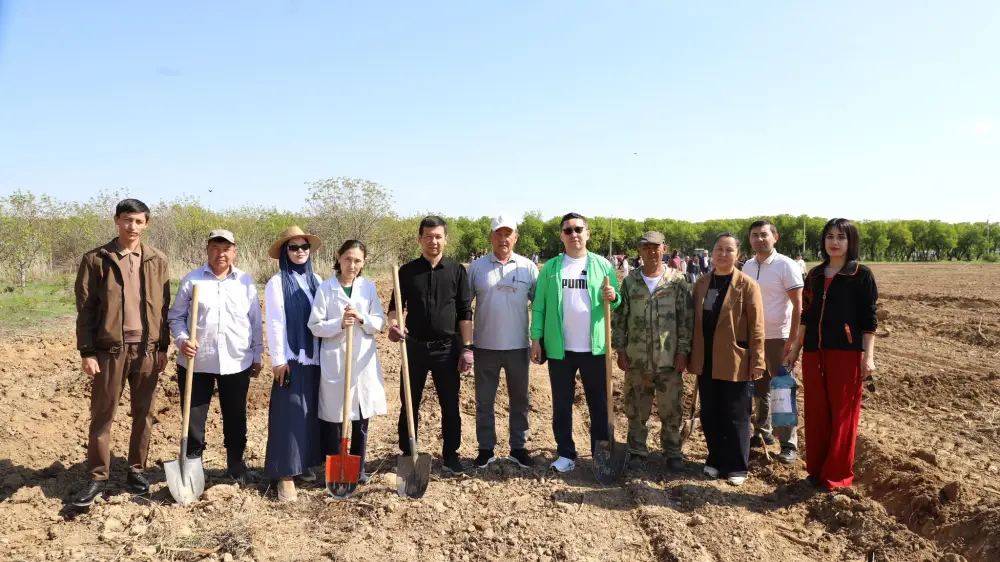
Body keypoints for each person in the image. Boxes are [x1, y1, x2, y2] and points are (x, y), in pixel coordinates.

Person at [72, 199, 171, 507]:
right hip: (109, 351)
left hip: (147, 350)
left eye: (139, 221)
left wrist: (164, 346)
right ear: (116, 220)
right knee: (102, 415)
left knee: (144, 414)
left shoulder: (157, 259)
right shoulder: (96, 259)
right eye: (127, 220)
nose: (133, 226)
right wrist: (87, 351)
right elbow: (85, 309)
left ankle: (136, 471)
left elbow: (164, 307)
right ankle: (97, 476)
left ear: (146, 224)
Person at [784, 218, 878, 490]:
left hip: (846, 353)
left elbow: (869, 320)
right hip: (814, 352)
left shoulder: (860, 274)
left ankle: (836, 476)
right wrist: (796, 349)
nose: (834, 242)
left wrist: (868, 356)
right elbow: (806, 315)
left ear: (851, 242)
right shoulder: (814, 274)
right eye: (829, 236)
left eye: (841, 237)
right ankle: (815, 471)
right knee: (816, 413)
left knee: (843, 415)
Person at [168, 229, 263, 486]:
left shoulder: (245, 282)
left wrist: (257, 354)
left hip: (236, 360)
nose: (221, 254)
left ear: (234, 252)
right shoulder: (193, 280)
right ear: (207, 250)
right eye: (215, 248)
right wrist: (182, 340)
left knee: (235, 415)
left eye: (226, 249)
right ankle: (193, 466)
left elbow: (254, 321)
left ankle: (235, 464)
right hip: (196, 361)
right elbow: (175, 316)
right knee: (194, 417)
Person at [530, 212, 621, 473]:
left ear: (587, 233)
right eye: (568, 231)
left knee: (600, 405)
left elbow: (617, 300)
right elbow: (539, 306)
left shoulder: (602, 265)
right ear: (561, 236)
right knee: (561, 404)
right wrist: (536, 338)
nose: (574, 235)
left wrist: (613, 295)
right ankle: (566, 453)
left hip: (595, 349)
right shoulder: (550, 268)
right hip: (561, 350)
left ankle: (600, 454)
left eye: (578, 229)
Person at [388, 216, 474, 475]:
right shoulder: (406, 272)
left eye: (438, 236)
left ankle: (450, 454)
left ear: (445, 239)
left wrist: (467, 347)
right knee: (409, 401)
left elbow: (464, 311)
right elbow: (395, 308)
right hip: (413, 348)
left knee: (450, 403)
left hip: (447, 348)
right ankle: (408, 451)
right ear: (419, 239)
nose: (433, 241)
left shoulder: (457, 270)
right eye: (428, 236)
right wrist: (394, 325)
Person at [612, 231, 692, 473]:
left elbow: (685, 320)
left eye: (655, 247)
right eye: (646, 247)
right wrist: (620, 349)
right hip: (637, 359)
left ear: (664, 249)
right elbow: (620, 318)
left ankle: (673, 452)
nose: (651, 251)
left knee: (672, 410)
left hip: (668, 360)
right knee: (636, 410)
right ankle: (636, 451)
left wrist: (683, 352)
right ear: (640, 251)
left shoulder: (677, 281)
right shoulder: (630, 281)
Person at [689, 233, 765, 487]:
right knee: (710, 413)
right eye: (719, 249)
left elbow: (757, 327)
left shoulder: (747, 285)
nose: (723, 254)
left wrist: (757, 361)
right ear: (712, 252)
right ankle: (715, 458)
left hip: (735, 359)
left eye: (729, 250)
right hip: (706, 359)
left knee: (736, 414)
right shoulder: (701, 284)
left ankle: (736, 465)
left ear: (738, 255)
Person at [309, 240, 387, 486]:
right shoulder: (326, 289)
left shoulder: (368, 288)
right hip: (336, 359)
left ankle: (359, 466)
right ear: (338, 257)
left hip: (362, 360)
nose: (352, 265)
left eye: (358, 261)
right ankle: (334, 468)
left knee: (361, 415)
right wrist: (339, 324)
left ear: (363, 263)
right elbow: (315, 325)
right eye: (348, 259)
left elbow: (379, 321)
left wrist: (362, 318)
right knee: (335, 415)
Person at [467, 213, 539, 469]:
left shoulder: (527, 268)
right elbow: (464, 308)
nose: (503, 238)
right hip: (485, 345)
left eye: (508, 234)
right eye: (498, 233)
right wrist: (465, 346)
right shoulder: (476, 268)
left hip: (518, 346)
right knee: (484, 401)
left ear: (515, 237)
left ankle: (518, 448)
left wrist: (537, 340)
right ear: (491, 237)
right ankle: (485, 449)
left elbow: (538, 306)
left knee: (520, 400)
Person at [263, 226, 324, 502]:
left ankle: (303, 465)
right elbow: (275, 322)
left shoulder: (317, 280)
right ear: (285, 253)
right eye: (294, 248)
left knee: (310, 412)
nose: (300, 252)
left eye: (304, 247)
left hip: (316, 358)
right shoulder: (277, 282)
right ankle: (285, 474)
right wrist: (278, 360)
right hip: (291, 359)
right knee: (289, 414)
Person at [743, 220, 804, 464]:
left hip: (779, 338)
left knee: (782, 389)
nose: (759, 239)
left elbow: (799, 306)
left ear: (775, 238)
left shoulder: (786, 265)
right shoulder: (747, 266)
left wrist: (793, 340)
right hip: (754, 339)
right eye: (755, 235)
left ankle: (789, 444)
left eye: (764, 235)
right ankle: (763, 433)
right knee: (759, 389)